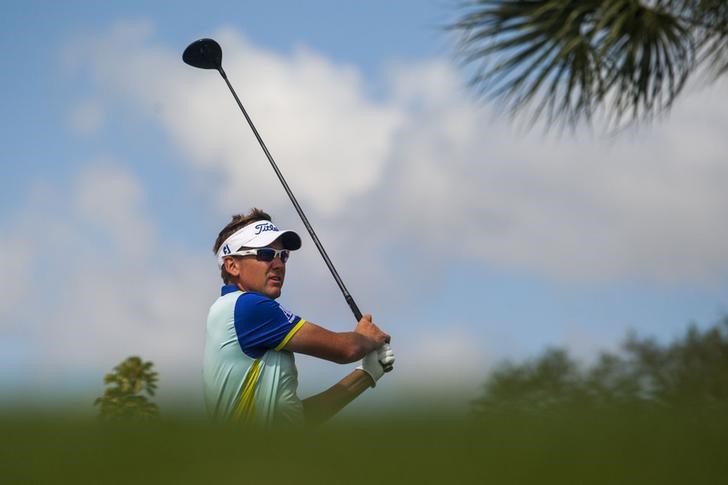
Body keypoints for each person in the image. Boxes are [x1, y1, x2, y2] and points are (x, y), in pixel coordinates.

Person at [203, 208, 395, 426]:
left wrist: (367, 374)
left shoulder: (240, 314)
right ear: (232, 265)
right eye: (265, 254)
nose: (279, 264)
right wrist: (365, 337)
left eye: (283, 256)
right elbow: (346, 350)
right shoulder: (248, 307)